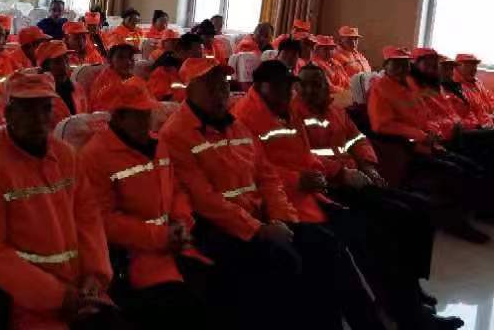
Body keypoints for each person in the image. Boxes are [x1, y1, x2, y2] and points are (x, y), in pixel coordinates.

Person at [159, 58, 372, 330]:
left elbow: (267, 176)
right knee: (286, 263)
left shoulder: (235, 125)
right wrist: (259, 229)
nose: (220, 94)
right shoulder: (176, 134)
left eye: (223, 86)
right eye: (211, 87)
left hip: (262, 216)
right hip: (219, 227)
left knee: (326, 246)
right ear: (190, 90)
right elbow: (205, 200)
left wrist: (282, 217)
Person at [292, 64, 461, 330]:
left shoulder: (336, 111)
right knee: (386, 226)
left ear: (326, 87)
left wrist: (368, 165)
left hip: (358, 179)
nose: (310, 90)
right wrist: (341, 172)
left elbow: (358, 139)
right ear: (297, 87)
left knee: (419, 210)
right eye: (304, 84)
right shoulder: (292, 115)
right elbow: (300, 157)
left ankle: (411, 285)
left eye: (317, 84)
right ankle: (408, 312)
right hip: (330, 188)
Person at [0, 70, 125, 329]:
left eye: (45, 108)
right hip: (28, 302)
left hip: (82, 289)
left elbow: (88, 218)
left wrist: (96, 274)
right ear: (8, 112)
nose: (38, 118)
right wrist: (57, 296)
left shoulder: (66, 155)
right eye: (27, 109)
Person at [79, 77, 208, 329]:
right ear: (119, 117)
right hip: (135, 259)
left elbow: (176, 190)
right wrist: (160, 236)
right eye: (138, 115)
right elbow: (103, 221)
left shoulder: (158, 144)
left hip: (176, 244)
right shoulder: (95, 156)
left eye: (147, 113)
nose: (146, 120)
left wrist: (181, 222)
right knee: (183, 306)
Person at [368, 46, 490, 243]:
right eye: (395, 64)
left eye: (404, 64)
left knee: (472, 167)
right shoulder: (380, 88)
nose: (401, 69)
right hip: (409, 149)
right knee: (456, 172)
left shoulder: (407, 87)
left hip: (430, 143)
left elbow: (425, 116)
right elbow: (381, 125)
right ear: (386, 65)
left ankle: (477, 213)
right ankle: (456, 224)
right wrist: (421, 135)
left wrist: (432, 131)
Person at [36, 40, 89, 128]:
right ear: (45, 67)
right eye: (57, 62)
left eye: (66, 60)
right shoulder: (38, 98)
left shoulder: (77, 88)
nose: (64, 66)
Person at [147, 33, 203, 102]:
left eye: (201, 50)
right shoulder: (163, 70)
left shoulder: (186, 66)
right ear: (182, 51)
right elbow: (160, 99)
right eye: (197, 51)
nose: (200, 55)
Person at [89, 43, 138, 112]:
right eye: (121, 57)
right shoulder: (105, 82)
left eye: (130, 57)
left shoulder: (131, 78)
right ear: (110, 61)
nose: (128, 62)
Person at [454, 54, 494, 127]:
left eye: (475, 65)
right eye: (468, 65)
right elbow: (465, 119)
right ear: (457, 67)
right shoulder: (455, 88)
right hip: (478, 129)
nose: (474, 69)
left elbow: (489, 98)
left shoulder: (477, 83)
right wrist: (489, 120)